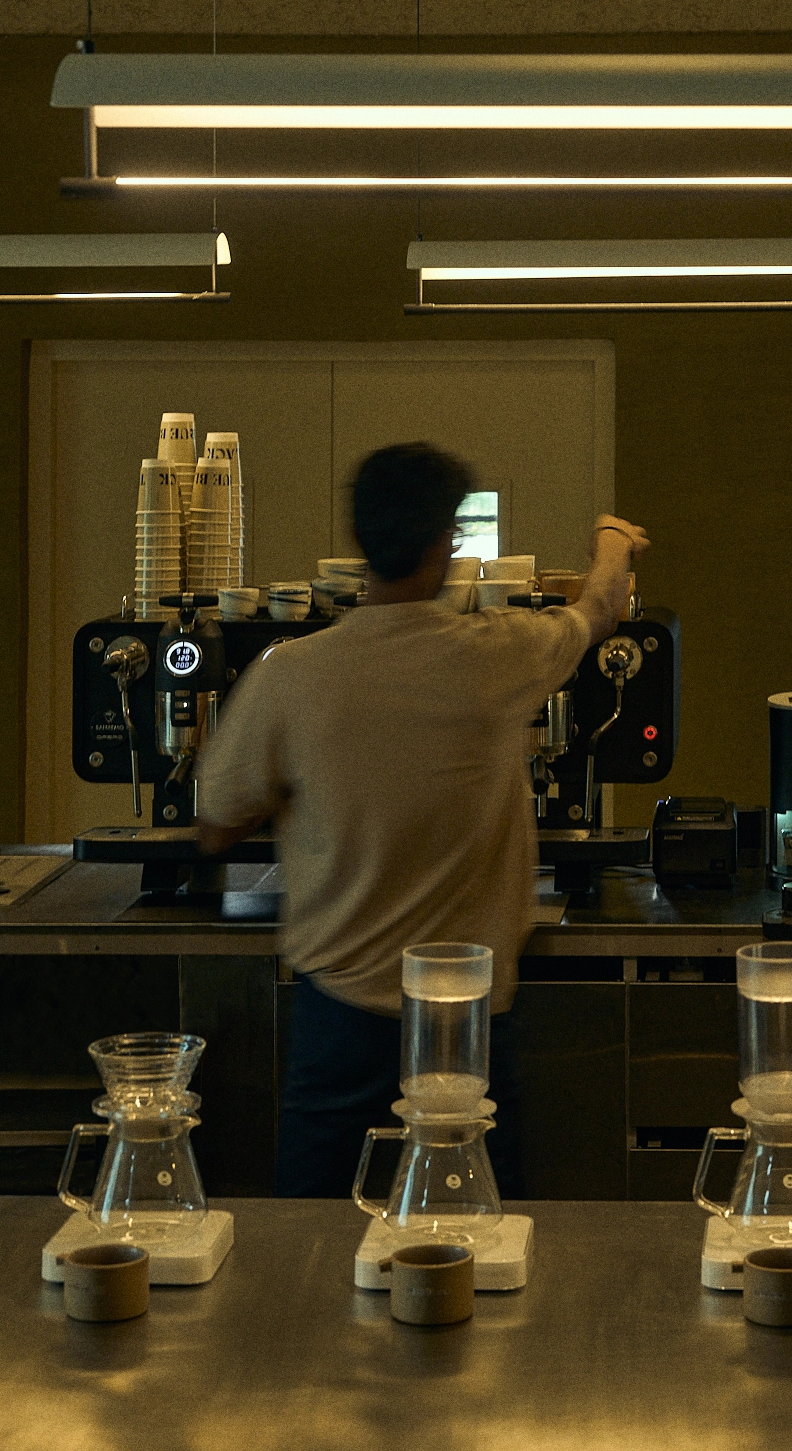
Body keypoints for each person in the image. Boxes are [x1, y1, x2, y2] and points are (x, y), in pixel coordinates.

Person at [195, 441, 649, 1197]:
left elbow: (216, 825)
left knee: (313, 1231)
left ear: (363, 541)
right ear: (445, 543)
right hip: (464, 1017)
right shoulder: (497, 653)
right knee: (470, 1236)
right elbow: (599, 610)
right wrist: (613, 537)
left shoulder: (291, 673)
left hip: (336, 1011)